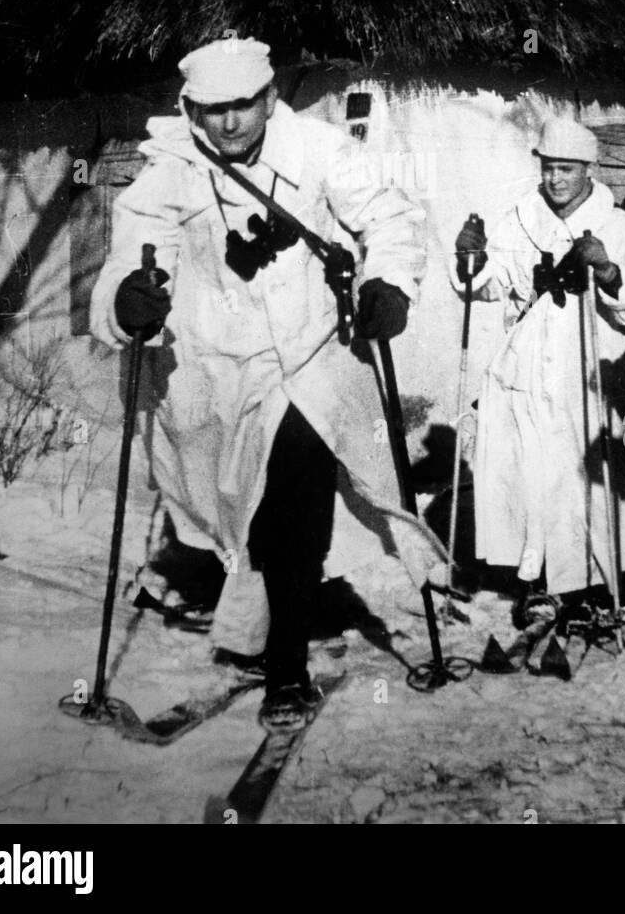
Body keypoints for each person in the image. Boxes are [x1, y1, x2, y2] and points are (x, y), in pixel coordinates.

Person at [90, 36, 441, 731]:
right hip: (218, 370)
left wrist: (390, 282)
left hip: (309, 358)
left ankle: (287, 667)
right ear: (191, 108)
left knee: (297, 498)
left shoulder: (318, 149)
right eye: (213, 109)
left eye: (243, 106)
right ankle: (256, 633)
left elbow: (390, 217)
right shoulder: (170, 170)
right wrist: (127, 301)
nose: (229, 123)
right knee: (242, 513)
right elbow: (128, 258)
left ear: (270, 97)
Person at [452, 117, 625, 628]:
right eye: (548, 168)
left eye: (566, 169)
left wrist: (609, 272)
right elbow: (486, 285)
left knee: (582, 483)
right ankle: (536, 582)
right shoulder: (518, 221)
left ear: (587, 169)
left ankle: (591, 586)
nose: (555, 179)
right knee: (529, 479)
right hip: (525, 371)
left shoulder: (622, 228)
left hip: (586, 375)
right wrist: (469, 257)